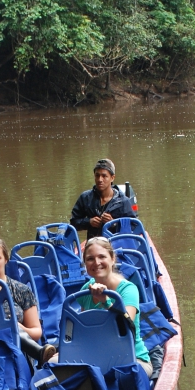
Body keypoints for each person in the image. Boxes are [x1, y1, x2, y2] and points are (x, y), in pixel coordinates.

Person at [0, 237, 56, 366]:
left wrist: (18, 327)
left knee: (9, 327)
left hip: (14, 349)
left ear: (6, 259)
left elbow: (36, 332)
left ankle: (37, 354)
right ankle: (38, 353)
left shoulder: (22, 290)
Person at [76, 236, 156, 377]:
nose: (97, 263)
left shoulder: (128, 289)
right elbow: (83, 332)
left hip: (132, 360)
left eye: (102, 257)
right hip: (98, 358)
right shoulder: (84, 291)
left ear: (112, 259)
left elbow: (125, 327)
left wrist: (106, 302)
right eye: (90, 259)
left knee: (115, 375)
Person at [70, 158, 133, 240]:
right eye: (97, 175)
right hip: (93, 245)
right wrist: (89, 222)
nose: (100, 179)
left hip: (115, 246)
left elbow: (133, 227)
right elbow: (73, 223)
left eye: (104, 176)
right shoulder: (85, 198)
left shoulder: (123, 201)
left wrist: (113, 223)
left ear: (112, 178)